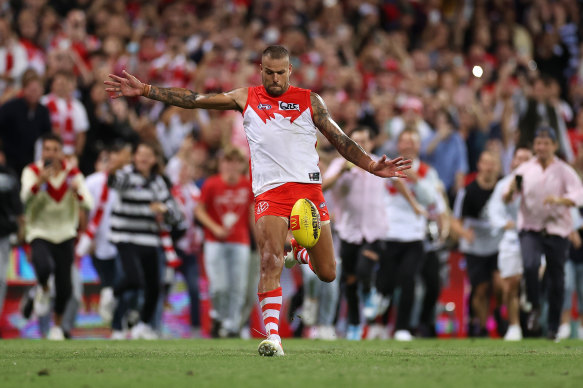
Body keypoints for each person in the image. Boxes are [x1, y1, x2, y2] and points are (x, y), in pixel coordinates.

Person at [105, 45, 411, 356]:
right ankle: (273, 338)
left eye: (281, 72)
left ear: (290, 71)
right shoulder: (245, 97)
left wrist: (371, 165)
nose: (275, 78)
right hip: (270, 193)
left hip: (308, 192)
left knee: (328, 272)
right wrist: (146, 90)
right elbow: (195, 100)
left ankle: (298, 253)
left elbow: (340, 140)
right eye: (269, 72)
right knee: (269, 260)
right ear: (260, 70)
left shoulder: (309, 100)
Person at [504, 126, 583, 339]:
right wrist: (510, 191)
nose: (542, 147)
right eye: (538, 143)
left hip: (557, 229)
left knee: (557, 280)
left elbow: (579, 195)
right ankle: (535, 305)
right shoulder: (524, 169)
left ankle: (553, 327)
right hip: (530, 227)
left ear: (555, 146)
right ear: (534, 146)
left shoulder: (564, 170)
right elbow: (507, 198)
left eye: (546, 143)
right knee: (530, 265)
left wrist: (560, 200)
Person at [20, 133, 93, 340]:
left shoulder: (73, 174)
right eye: (47, 149)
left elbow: (89, 203)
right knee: (44, 267)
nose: (51, 153)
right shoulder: (32, 171)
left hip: (65, 233)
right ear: (42, 152)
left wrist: (77, 192)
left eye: (55, 149)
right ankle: (42, 289)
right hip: (39, 231)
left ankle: (57, 327)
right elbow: (24, 199)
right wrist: (39, 183)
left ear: (62, 152)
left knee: (65, 286)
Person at [107, 141, 183, 340]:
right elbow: (114, 182)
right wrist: (114, 166)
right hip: (125, 236)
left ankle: (143, 324)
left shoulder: (158, 181)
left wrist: (164, 210)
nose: (143, 159)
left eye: (147, 155)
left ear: (154, 160)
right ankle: (111, 296)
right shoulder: (126, 174)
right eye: (140, 154)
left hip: (149, 239)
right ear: (134, 157)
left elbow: (176, 214)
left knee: (153, 286)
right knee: (133, 279)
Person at [321, 126, 389, 341]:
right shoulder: (340, 164)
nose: (360, 145)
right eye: (355, 141)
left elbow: (397, 182)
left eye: (364, 141)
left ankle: (370, 293)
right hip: (348, 230)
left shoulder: (378, 162)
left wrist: (414, 204)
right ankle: (353, 325)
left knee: (363, 269)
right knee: (349, 281)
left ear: (371, 143)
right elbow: (322, 187)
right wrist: (342, 171)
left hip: (375, 229)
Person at [377, 129, 440, 341]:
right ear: (398, 146)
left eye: (412, 142)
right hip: (389, 232)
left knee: (408, 280)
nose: (407, 146)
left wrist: (417, 181)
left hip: (414, 235)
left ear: (419, 146)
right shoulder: (386, 167)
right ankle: (382, 324)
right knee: (384, 284)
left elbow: (432, 200)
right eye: (404, 142)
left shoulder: (426, 171)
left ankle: (402, 327)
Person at [194, 146, 254, 338]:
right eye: (227, 162)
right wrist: (214, 227)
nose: (230, 167)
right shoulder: (211, 184)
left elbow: (252, 215)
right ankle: (218, 316)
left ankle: (232, 325)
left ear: (240, 165)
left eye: (235, 163)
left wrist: (261, 242)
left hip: (240, 241)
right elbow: (199, 210)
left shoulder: (247, 186)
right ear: (221, 165)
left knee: (238, 286)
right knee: (219, 286)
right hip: (214, 241)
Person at [453, 150, 503, 337]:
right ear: (479, 165)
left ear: (497, 167)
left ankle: (499, 311)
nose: (489, 167)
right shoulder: (468, 191)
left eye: (493, 163)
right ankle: (482, 327)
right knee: (480, 288)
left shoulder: (503, 188)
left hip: (497, 242)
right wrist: (464, 233)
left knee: (500, 285)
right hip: (475, 245)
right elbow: (455, 219)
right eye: (486, 163)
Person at [487, 146, 533, 340]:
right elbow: (494, 210)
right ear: (512, 161)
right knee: (510, 284)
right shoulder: (504, 184)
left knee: (535, 272)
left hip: (534, 237)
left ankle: (530, 294)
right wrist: (503, 223)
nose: (521, 162)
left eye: (526, 159)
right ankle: (514, 326)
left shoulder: (539, 184)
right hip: (511, 238)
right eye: (518, 158)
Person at [0, 70, 52, 177]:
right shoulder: (10, 108)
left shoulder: (43, 111)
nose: (34, 93)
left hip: (31, 159)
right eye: (31, 90)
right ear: (24, 89)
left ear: (42, 91)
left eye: (37, 90)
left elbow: (47, 135)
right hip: (9, 157)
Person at [0, 147, 23, 327]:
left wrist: (21, 229)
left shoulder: (8, 176)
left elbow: (17, 207)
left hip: (3, 233)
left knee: (0, 278)